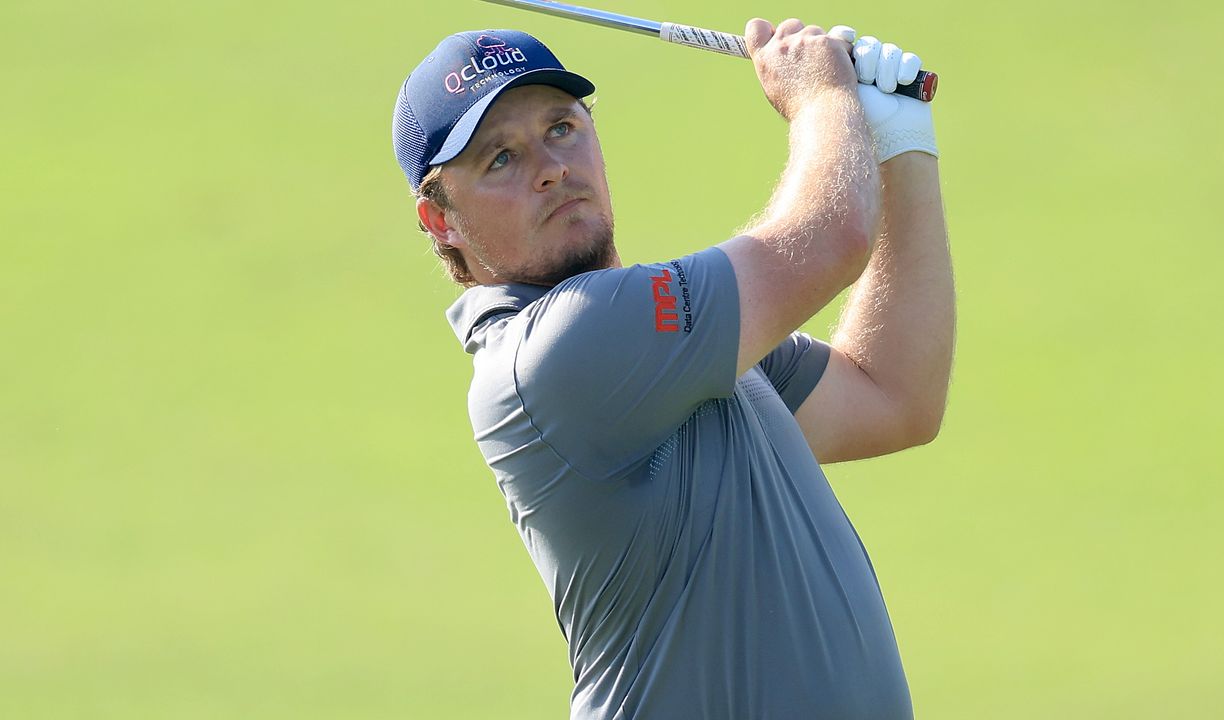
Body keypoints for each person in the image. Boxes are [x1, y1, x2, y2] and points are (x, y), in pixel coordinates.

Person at [391, 17, 953, 720]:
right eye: (499, 158)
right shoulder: (558, 352)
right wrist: (821, 99)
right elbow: (828, 238)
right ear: (440, 221)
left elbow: (892, 396)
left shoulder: (671, 346)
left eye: (562, 127)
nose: (549, 167)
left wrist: (900, 144)